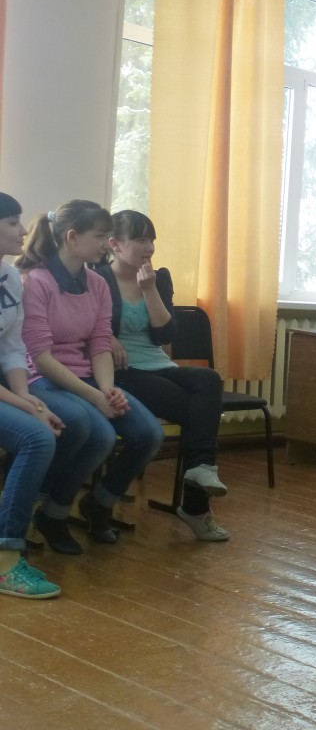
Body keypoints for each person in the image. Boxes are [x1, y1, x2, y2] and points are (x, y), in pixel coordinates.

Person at [17, 199, 164, 550]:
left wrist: (108, 389)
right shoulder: (36, 281)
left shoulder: (97, 284)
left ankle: (99, 503)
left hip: (86, 377)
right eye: (99, 236)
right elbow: (40, 357)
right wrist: (96, 397)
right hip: (42, 378)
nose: (105, 244)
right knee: (96, 433)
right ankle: (50, 513)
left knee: (149, 434)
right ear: (72, 237)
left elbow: (100, 343)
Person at [95, 209, 229, 541]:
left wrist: (150, 290)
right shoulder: (97, 278)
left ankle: (202, 469)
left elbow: (166, 334)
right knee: (199, 414)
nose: (149, 247)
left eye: (152, 240)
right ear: (114, 244)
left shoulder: (159, 278)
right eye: (140, 239)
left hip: (159, 364)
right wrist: (106, 337)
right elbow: (83, 326)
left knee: (208, 379)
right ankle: (196, 509)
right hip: (121, 371)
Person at [0, 192, 63, 598]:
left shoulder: (10, 278)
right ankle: (6, 562)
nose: (23, 230)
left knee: (44, 429)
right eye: (12, 223)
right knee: (37, 437)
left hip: (7, 386)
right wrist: (26, 405)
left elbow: (11, 348)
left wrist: (30, 398)